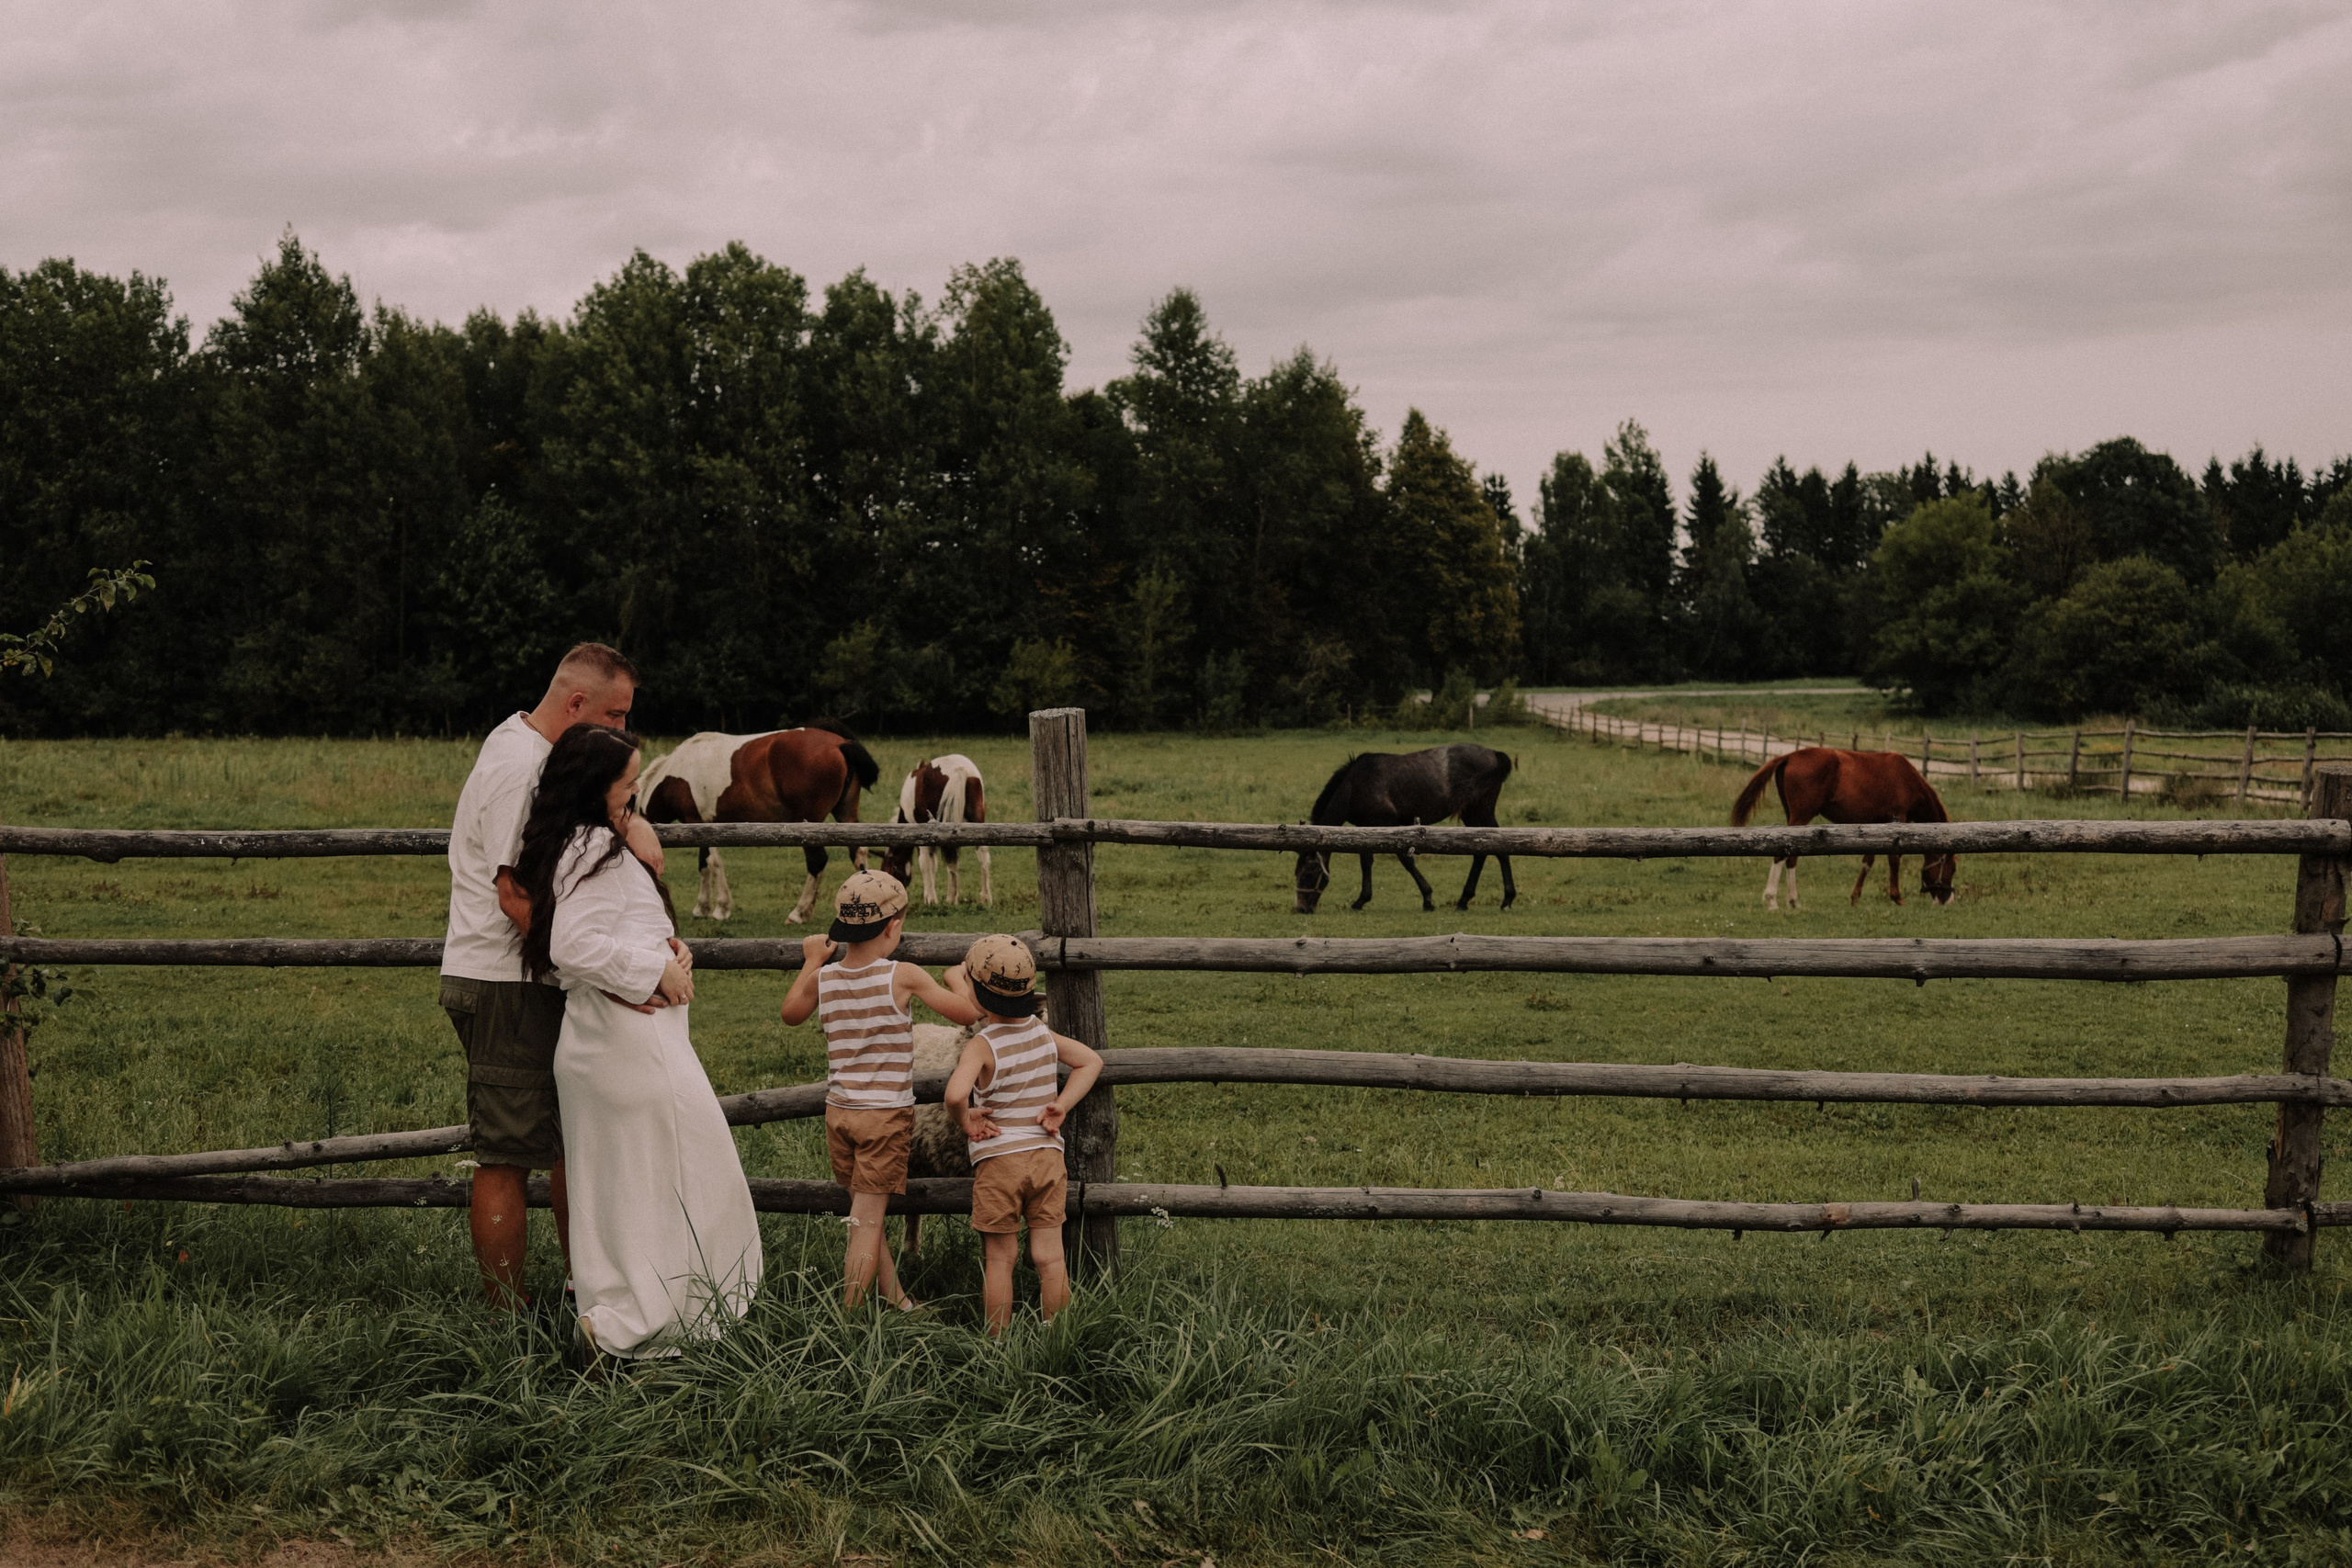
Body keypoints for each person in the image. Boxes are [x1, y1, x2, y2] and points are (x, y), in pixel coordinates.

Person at [514, 723, 761, 1358]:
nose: (636, 787)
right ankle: (637, 1325)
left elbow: (608, 930)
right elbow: (573, 945)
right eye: (627, 780)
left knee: (634, 1183)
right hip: (626, 1044)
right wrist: (653, 970)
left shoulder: (583, 841)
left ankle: (635, 1320)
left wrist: (671, 950)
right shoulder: (592, 843)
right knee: (672, 1176)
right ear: (596, 786)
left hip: (618, 1041)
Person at [439, 642, 663, 1308]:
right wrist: (603, 962)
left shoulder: (548, 761)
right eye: (615, 715)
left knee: (572, 1139)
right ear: (575, 704)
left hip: (537, 978)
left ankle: (582, 1291)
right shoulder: (518, 768)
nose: (621, 730)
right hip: (508, 981)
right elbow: (516, 896)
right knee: (506, 1152)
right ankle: (504, 1320)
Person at [777, 871, 979, 1310]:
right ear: (893, 928)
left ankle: (899, 1303)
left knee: (865, 1216)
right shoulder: (902, 976)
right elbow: (967, 1013)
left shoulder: (826, 978)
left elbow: (790, 1013)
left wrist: (813, 961)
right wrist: (955, 979)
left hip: (839, 1115)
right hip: (883, 1120)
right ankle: (846, 1324)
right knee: (866, 1223)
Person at [942, 935, 1102, 1336]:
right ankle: (1057, 1337)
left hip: (1000, 1164)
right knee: (1050, 1258)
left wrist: (966, 1119)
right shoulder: (1043, 1035)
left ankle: (997, 1344)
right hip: (1047, 1159)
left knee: (1001, 1260)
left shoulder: (981, 1045)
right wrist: (1062, 1105)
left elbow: (955, 1094)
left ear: (978, 996)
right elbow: (1090, 1062)